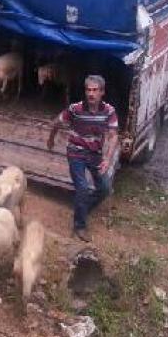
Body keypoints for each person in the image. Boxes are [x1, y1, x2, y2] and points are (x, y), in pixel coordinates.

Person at [46, 74, 119, 242]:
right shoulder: (75, 109)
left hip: (95, 154)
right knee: (83, 188)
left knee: (105, 188)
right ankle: (80, 225)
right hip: (76, 152)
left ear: (102, 92)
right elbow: (56, 122)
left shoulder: (109, 111)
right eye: (88, 90)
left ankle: (83, 207)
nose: (91, 94)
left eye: (95, 90)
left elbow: (114, 135)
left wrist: (107, 159)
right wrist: (51, 138)